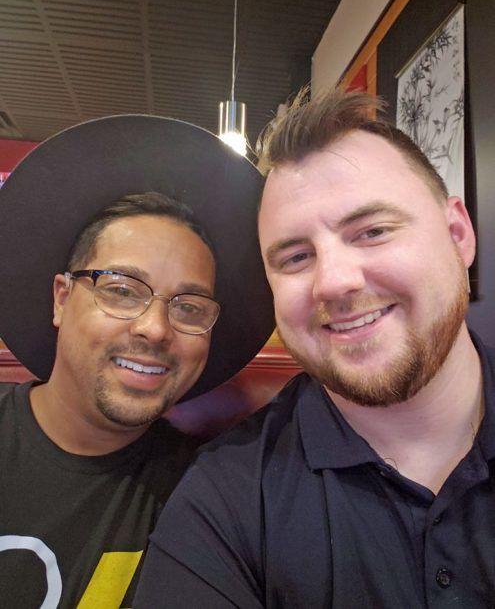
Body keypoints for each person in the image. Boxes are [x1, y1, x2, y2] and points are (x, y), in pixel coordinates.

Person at [134, 88, 495, 608]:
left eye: (372, 231)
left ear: (458, 234)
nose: (333, 282)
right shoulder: (224, 499)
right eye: (296, 258)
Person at [0, 114, 274, 608]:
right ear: (62, 298)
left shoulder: (209, 497)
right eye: (123, 291)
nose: (156, 328)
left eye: (189, 307)